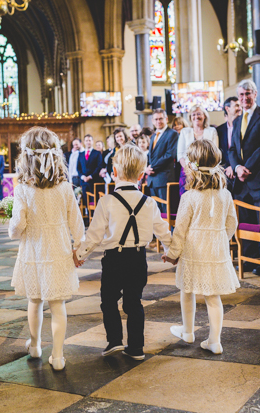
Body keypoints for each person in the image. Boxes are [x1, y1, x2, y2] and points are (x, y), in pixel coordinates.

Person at [75, 144, 172, 361]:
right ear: (141, 175)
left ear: (114, 172)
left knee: (108, 301)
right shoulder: (149, 203)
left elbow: (94, 235)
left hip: (114, 260)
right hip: (138, 259)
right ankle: (136, 348)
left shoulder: (107, 201)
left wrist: (80, 255)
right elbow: (164, 232)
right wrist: (171, 251)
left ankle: (115, 341)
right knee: (133, 302)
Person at [8, 127, 84, 371]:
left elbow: (18, 224)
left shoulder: (22, 189)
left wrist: (13, 232)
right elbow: (77, 224)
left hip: (33, 251)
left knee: (35, 300)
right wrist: (78, 248)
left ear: (26, 157)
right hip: (59, 250)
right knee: (57, 304)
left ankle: (35, 346)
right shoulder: (65, 188)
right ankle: (59, 356)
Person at [163, 140, 239, 355]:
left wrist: (172, 254)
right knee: (213, 296)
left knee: (187, 290)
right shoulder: (225, 194)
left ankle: (188, 331)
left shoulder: (189, 197)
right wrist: (222, 239)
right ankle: (214, 341)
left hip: (193, 251)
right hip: (216, 250)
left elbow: (180, 230)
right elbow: (232, 222)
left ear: (192, 166)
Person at [228, 79, 260, 273]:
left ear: (255, 94)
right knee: (246, 220)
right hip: (243, 181)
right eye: (241, 94)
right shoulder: (237, 120)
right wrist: (237, 167)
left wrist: (245, 168)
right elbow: (232, 149)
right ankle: (249, 259)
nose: (244, 98)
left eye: (248, 93)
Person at [177, 105, 218, 196]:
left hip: (207, 172)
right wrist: (189, 170)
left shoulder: (212, 131)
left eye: (199, 114)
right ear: (190, 118)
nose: (196, 117)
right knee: (187, 199)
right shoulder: (185, 131)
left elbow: (215, 153)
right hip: (187, 171)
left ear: (204, 116)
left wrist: (205, 171)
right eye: (193, 115)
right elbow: (180, 155)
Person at [146, 109, 179, 213]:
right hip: (152, 179)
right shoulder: (153, 136)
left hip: (164, 178)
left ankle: (169, 230)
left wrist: (152, 167)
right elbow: (150, 155)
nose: (158, 121)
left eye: (161, 118)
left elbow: (169, 155)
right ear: (152, 121)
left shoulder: (172, 134)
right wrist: (145, 168)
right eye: (156, 119)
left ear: (166, 119)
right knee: (156, 212)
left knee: (166, 211)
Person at [216, 97, 241, 185]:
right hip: (224, 173)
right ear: (227, 109)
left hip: (241, 171)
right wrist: (227, 167)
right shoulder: (219, 130)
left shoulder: (245, 127)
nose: (240, 108)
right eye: (237, 105)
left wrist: (234, 166)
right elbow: (218, 152)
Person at [77, 135, 103, 206]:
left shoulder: (97, 153)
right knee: (86, 202)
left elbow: (99, 166)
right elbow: (78, 168)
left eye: (90, 140)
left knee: (95, 202)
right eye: (86, 140)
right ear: (84, 142)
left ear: (92, 141)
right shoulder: (81, 154)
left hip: (94, 181)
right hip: (84, 182)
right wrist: (83, 177)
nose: (88, 142)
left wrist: (90, 176)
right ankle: (88, 216)